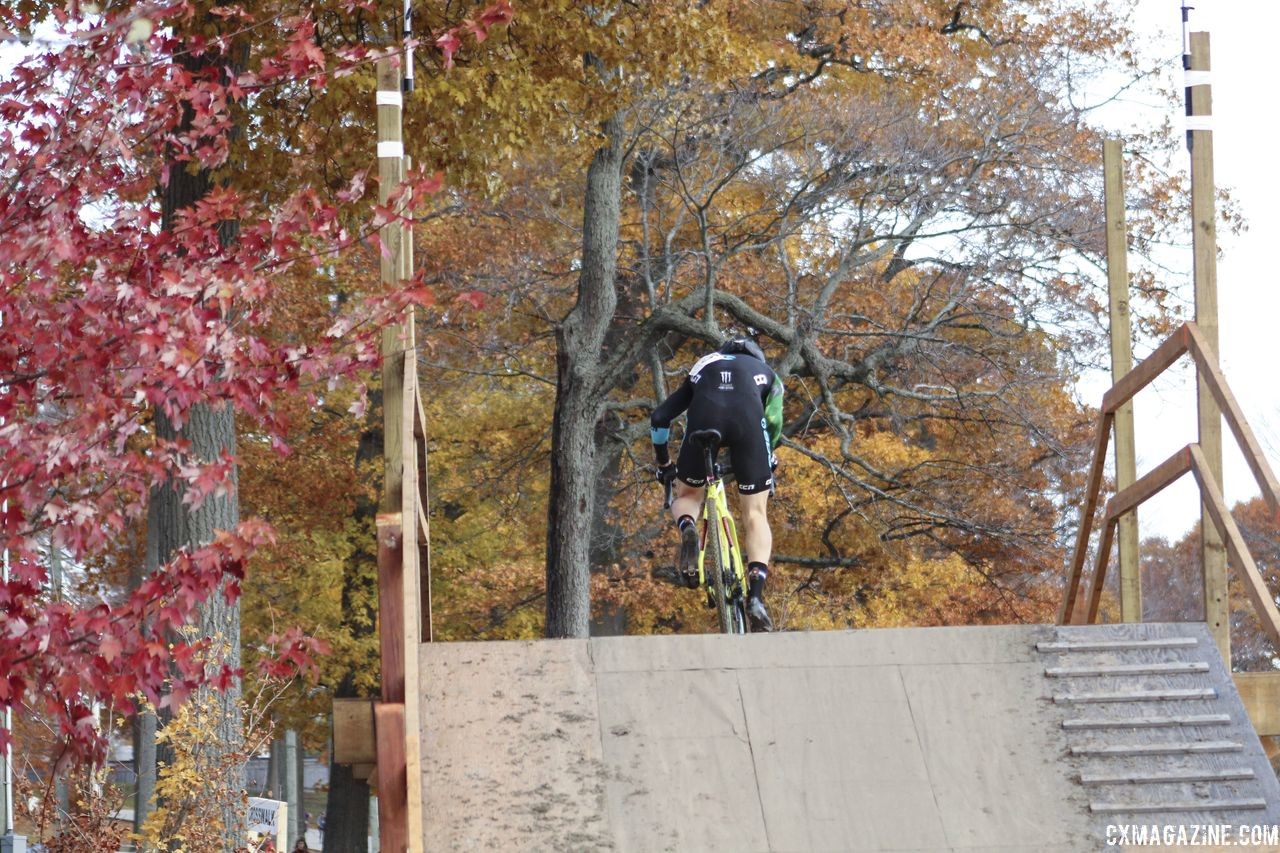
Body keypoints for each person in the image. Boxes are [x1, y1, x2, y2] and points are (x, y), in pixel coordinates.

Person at [651, 333, 783, 631]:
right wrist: (769, 455)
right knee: (755, 514)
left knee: (688, 495)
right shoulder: (768, 374)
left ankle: (687, 528)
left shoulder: (703, 364)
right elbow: (773, 423)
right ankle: (757, 596)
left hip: (704, 421)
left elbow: (660, 417)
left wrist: (664, 464)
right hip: (748, 423)